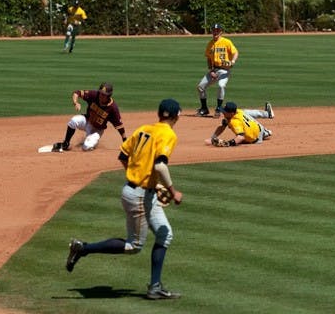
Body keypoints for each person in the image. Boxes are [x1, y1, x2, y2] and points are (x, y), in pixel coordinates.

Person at [65, 98, 184, 300]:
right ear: (177, 115)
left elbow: (123, 156)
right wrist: (173, 191)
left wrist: (142, 178)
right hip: (139, 195)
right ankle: (83, 248)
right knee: (134, 246)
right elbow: (160, 166)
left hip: (141, 192)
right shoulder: (168, 135)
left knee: (165, 234)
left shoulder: (143, 129)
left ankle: (155, 287)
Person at [51, 82, 126, 152]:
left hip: (97, 130)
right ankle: (66, 144)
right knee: (73, 121)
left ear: (109, 96)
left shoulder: (113, 108)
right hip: (87, 121)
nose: (101, 96)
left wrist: (125, 141)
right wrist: (75, 102)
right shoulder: (94, 95)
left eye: (104, 95)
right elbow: (77, 93)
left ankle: (91, 142)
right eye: (100, 93)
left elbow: (120, 127)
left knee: (86, 147)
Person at [196, 23, 239, 118]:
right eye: (214, 30)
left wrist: (232, 61)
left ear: (221, 32)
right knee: (200, 87)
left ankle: (219, 108)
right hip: (214, 69)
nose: (215, 32)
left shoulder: (227, 42)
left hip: (224, 71)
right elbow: (208, 58)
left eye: (217, 30)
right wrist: (211, 71)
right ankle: (204, 109)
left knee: (221, 85)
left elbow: (235, 52)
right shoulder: (210, 44)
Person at [207, 101, 273, 147]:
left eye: (225, 112)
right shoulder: (238, 111)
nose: (223, 113)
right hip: (259, 129)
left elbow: (241, 137)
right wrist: (213, 138)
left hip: (254, 140)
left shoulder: (234, 122)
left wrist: (228, 143)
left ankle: (265, 133)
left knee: (244, 135)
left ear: (232, 113)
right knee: (247, 115)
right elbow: (222, 126)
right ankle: (265, 132)